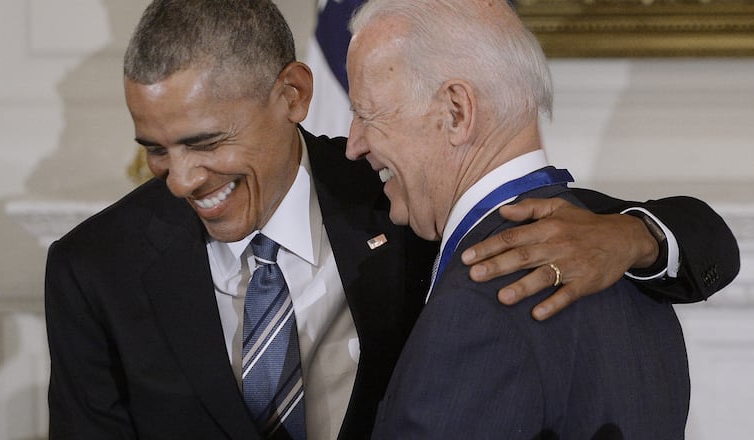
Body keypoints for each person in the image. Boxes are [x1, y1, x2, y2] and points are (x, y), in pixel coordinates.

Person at [44, 0, 738, 439]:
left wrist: (636, 235)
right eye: (156, 151)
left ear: (292, 94)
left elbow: (691, 235)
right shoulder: (93, 267)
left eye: (205, 143)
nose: (182, 179)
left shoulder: (402, 195)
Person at [344, 0, 717, 438]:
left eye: (368, 114)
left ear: (456, 111)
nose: (353, 145)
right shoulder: (632, 266)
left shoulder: (481, 302)